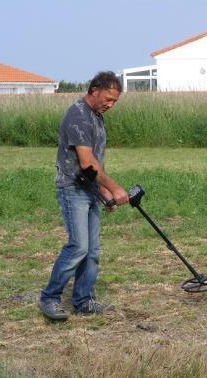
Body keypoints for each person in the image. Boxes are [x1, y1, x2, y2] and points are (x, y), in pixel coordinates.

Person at [38, 71, 129, 320]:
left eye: (115, 101)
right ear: (94, 89)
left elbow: (92, 168)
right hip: (72, 189)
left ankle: (83, 301)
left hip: (88, 189)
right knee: (78, 246)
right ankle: (49, 298)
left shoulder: (96, 117)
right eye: (108, 98)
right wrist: (115, 188)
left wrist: (103, 193)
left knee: (92, 251)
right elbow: (87, 163)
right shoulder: (77, 115)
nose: (110, 104)